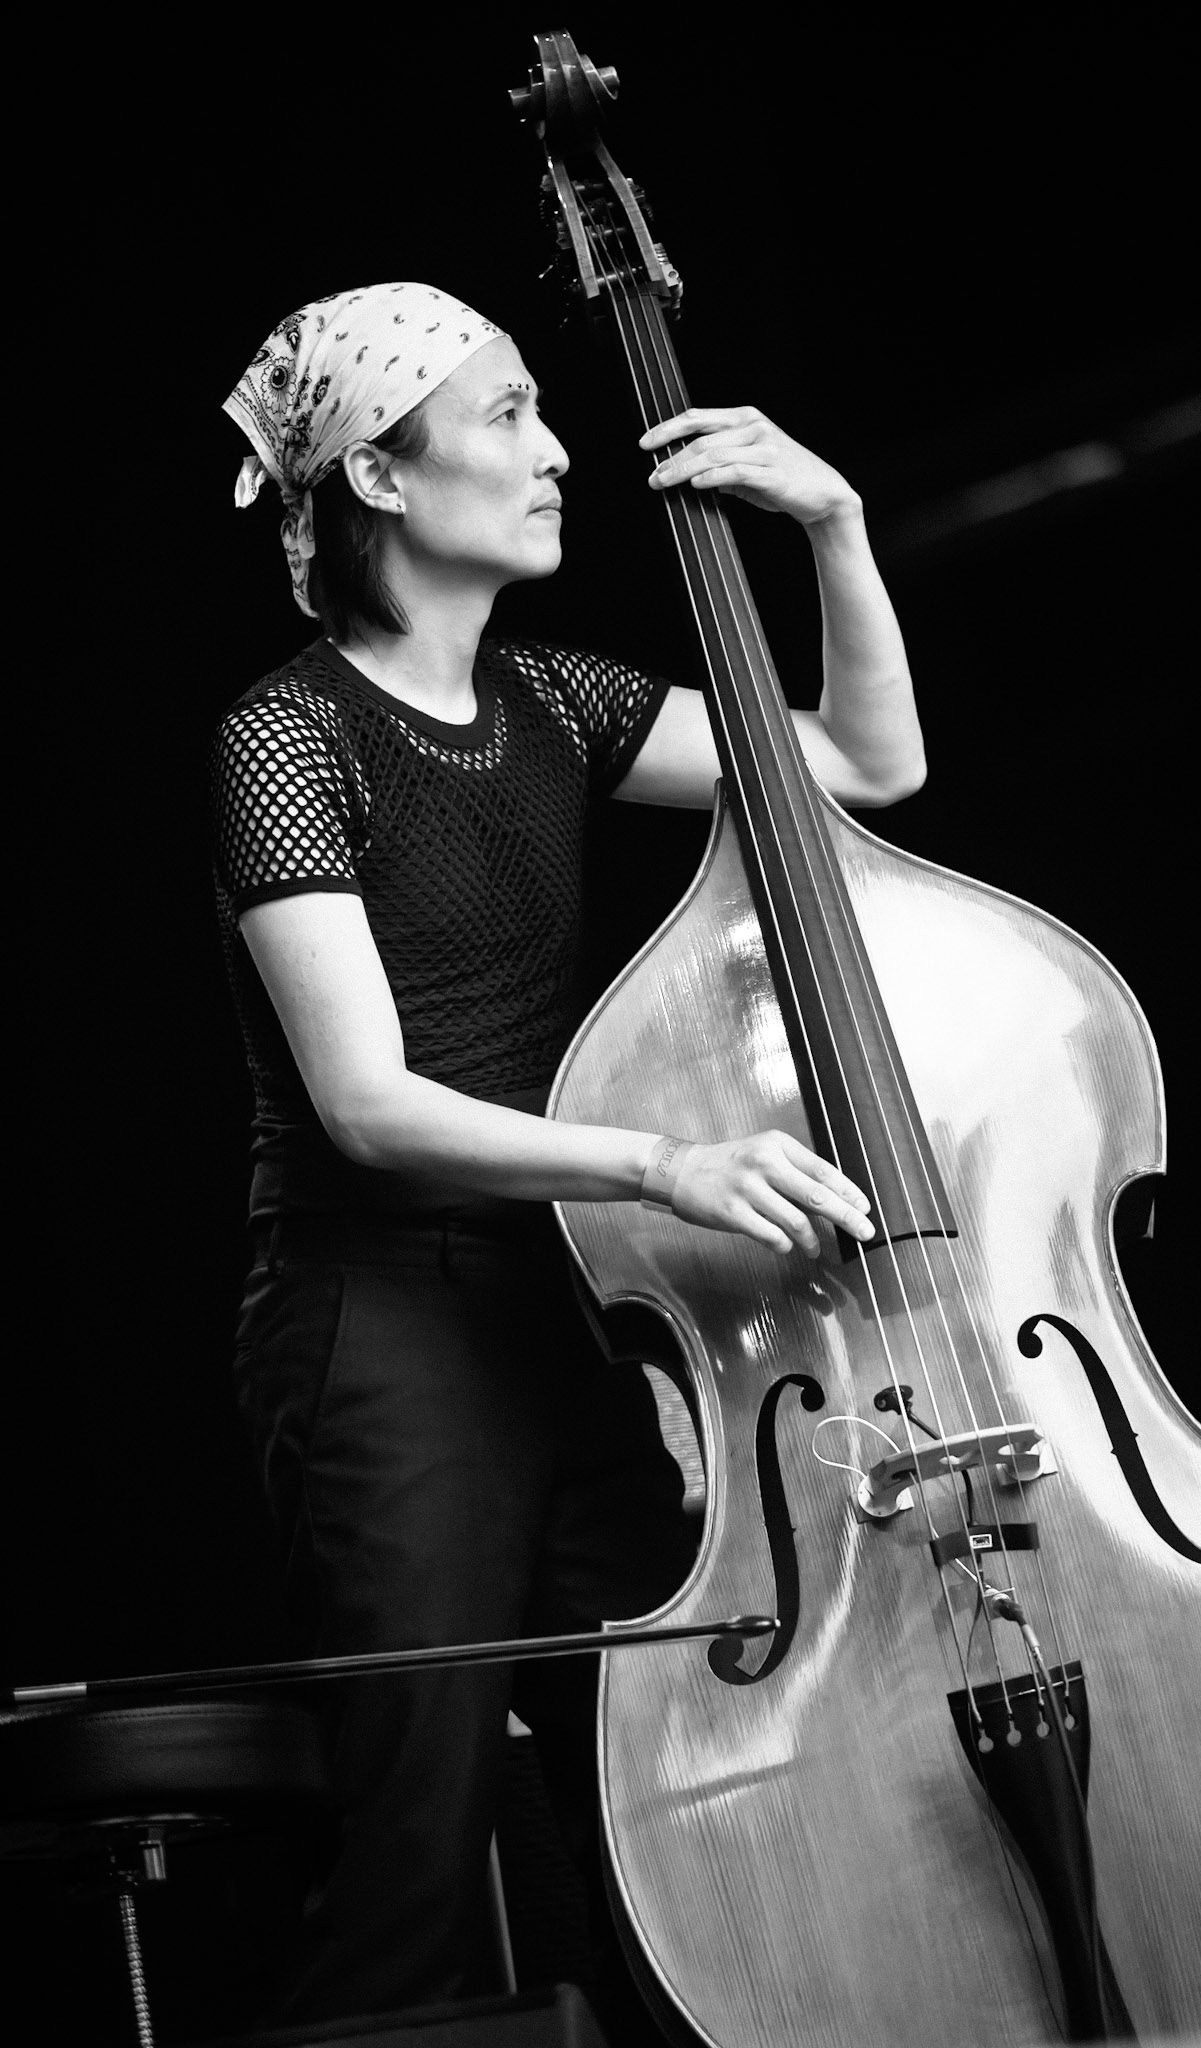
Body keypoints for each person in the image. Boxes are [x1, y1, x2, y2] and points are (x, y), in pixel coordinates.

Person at [213, 280, 925, 2037]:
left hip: (558, 1316)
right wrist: (665, 1169)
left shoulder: (555, 701)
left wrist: (828, 521)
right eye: (510, 417)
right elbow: (368, 1103)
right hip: (377, 1328)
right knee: (417, 1852)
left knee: (666, 1811)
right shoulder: (284, 740)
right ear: (380, 477)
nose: (556, 454)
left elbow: (862, 763)